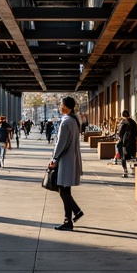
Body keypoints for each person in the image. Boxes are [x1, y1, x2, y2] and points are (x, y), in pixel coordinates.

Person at [48, 97, 84, 230]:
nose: (59, 107)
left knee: (63, 190)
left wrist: (54, 158)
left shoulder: (65, 122)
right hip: (71, 159)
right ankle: (71, 217)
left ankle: (71, 217)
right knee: (65, 190)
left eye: (61, 104)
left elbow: (60, 143)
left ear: (66, 107)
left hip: (65, 160)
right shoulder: (74, 120)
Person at [116, 110, 137, 178]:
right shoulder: (133, 122)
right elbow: (136, 132)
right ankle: (133, 171)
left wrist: (119, 139)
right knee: (131, 157)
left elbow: (120, 133)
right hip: (132, 142)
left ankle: (125, 171)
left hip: (124, 142)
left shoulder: (123, 122)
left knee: (124, 157)